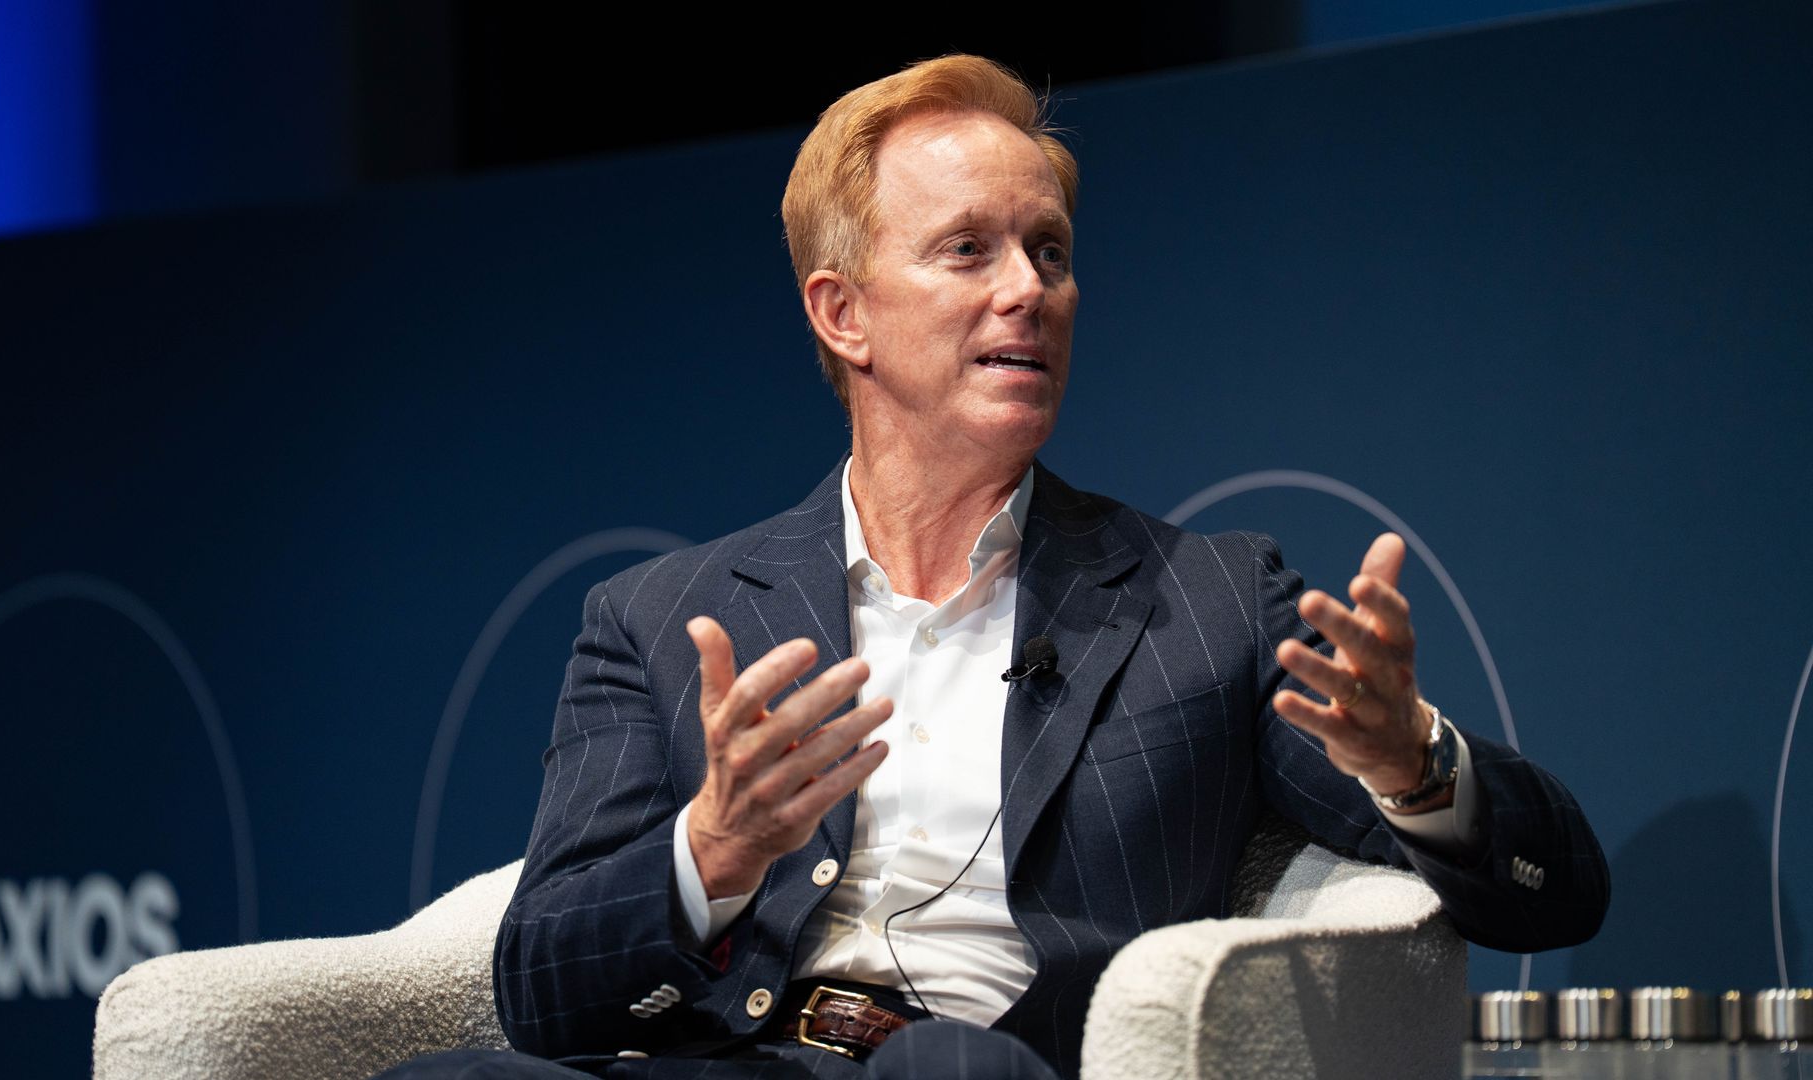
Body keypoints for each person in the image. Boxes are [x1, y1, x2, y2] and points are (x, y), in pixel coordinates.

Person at [383, 55, 1607, 1080]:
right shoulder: (660, 619)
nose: (1030, 290)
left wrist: (1411, 761)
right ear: (842, 313)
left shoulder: (1210, 603)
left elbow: (1555, 896)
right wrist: (711, 852)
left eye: (1051, 252)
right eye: (969, 250)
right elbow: (541, 991)